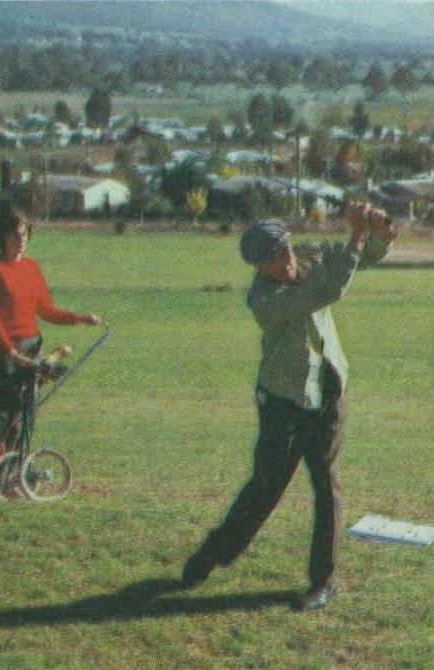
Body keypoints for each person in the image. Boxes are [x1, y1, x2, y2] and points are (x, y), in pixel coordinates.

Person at [180, 202, 395, 612]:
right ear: (258, 267)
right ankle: (214, 553)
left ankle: (323, 581)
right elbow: (327, 290)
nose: (287, 262)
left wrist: (378, 230)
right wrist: (354, 235)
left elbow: (362, 258)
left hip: (328, 391)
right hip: (283, 402)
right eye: (275, 259)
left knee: (326, 484)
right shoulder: (264, 299)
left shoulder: (307, 255)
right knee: (265, 490)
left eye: (287, 251)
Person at [0, 206, 101, 446]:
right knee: (6, 416)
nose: (21, 240)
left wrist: (80, 318)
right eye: (15, 235)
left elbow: (47, 310)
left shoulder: (32, 268)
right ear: (3, 237)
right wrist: (11, 352)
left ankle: (18, 475)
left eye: (24, 234)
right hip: (3, 353)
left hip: (32, 348)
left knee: (28, 414)